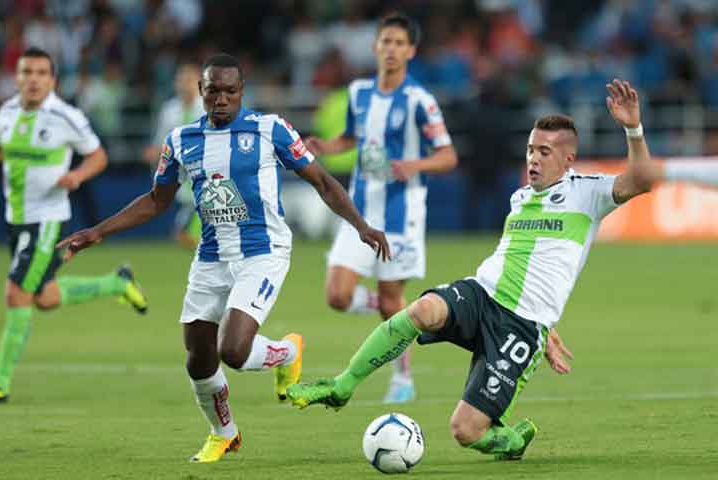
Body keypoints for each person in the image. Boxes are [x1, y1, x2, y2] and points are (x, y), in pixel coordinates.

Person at [287, 78, 655, 461]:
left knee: (465, 431)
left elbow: (643, 180)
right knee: (422, 310)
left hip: (521, 326)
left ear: (567, 159)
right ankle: (342, 386)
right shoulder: (520, 197)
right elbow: (522, 261)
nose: (533, 159)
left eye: (544, 152)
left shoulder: (588, 193)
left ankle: (510, 441)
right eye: (530, 150)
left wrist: (633, 128)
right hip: (482, 293)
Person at [57, 53, 390, 463]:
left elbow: (321, 181)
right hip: (211, 256)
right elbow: (157, 200)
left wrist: (360, 226)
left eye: (230, 91)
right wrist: (97, 231)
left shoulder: (270, 129)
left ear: (241, 92)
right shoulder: (181, 140)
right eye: (213, 90)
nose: (221, 98)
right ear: (201, 90)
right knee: (198, 358)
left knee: (232, 350)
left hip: (263, 252)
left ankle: (286, 353)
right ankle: (224, 434)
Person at [304, 13, 458, 404]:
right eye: (385, 41)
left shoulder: (420, 100)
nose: (391, 49)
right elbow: (352, 138)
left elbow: (448, 156)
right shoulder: (359, 92)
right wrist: (326, 146)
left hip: (401, 215)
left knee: (391, 299)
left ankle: (402, 378)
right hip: (359, 211)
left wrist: (415, 165)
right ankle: (406, 314)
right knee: (337, 295)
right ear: (376, 46)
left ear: (411, 51)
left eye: (398, 43)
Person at [0, 47, 147, 403]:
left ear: (52, 80)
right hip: (16, 219)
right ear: (17, 77)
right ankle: (116, 283)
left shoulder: (66, 116)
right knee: (45, 297)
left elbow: (98, 155)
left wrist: (77, 176)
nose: (33, 80)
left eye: (41, 73)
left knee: (16, 293)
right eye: (26, 72)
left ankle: (0, 382)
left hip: (47, 221)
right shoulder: (5, 114)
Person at [142, 62, 205, 249]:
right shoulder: (169, 109)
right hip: (180, 167)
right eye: (181, 80)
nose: (184, 85)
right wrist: (154, 151)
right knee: (188, 205)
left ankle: (193, 235)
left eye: (189, 80)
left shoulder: (209, 106)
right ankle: (194, 236)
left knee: (197, 204)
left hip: (205, 165)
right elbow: (162, 138)